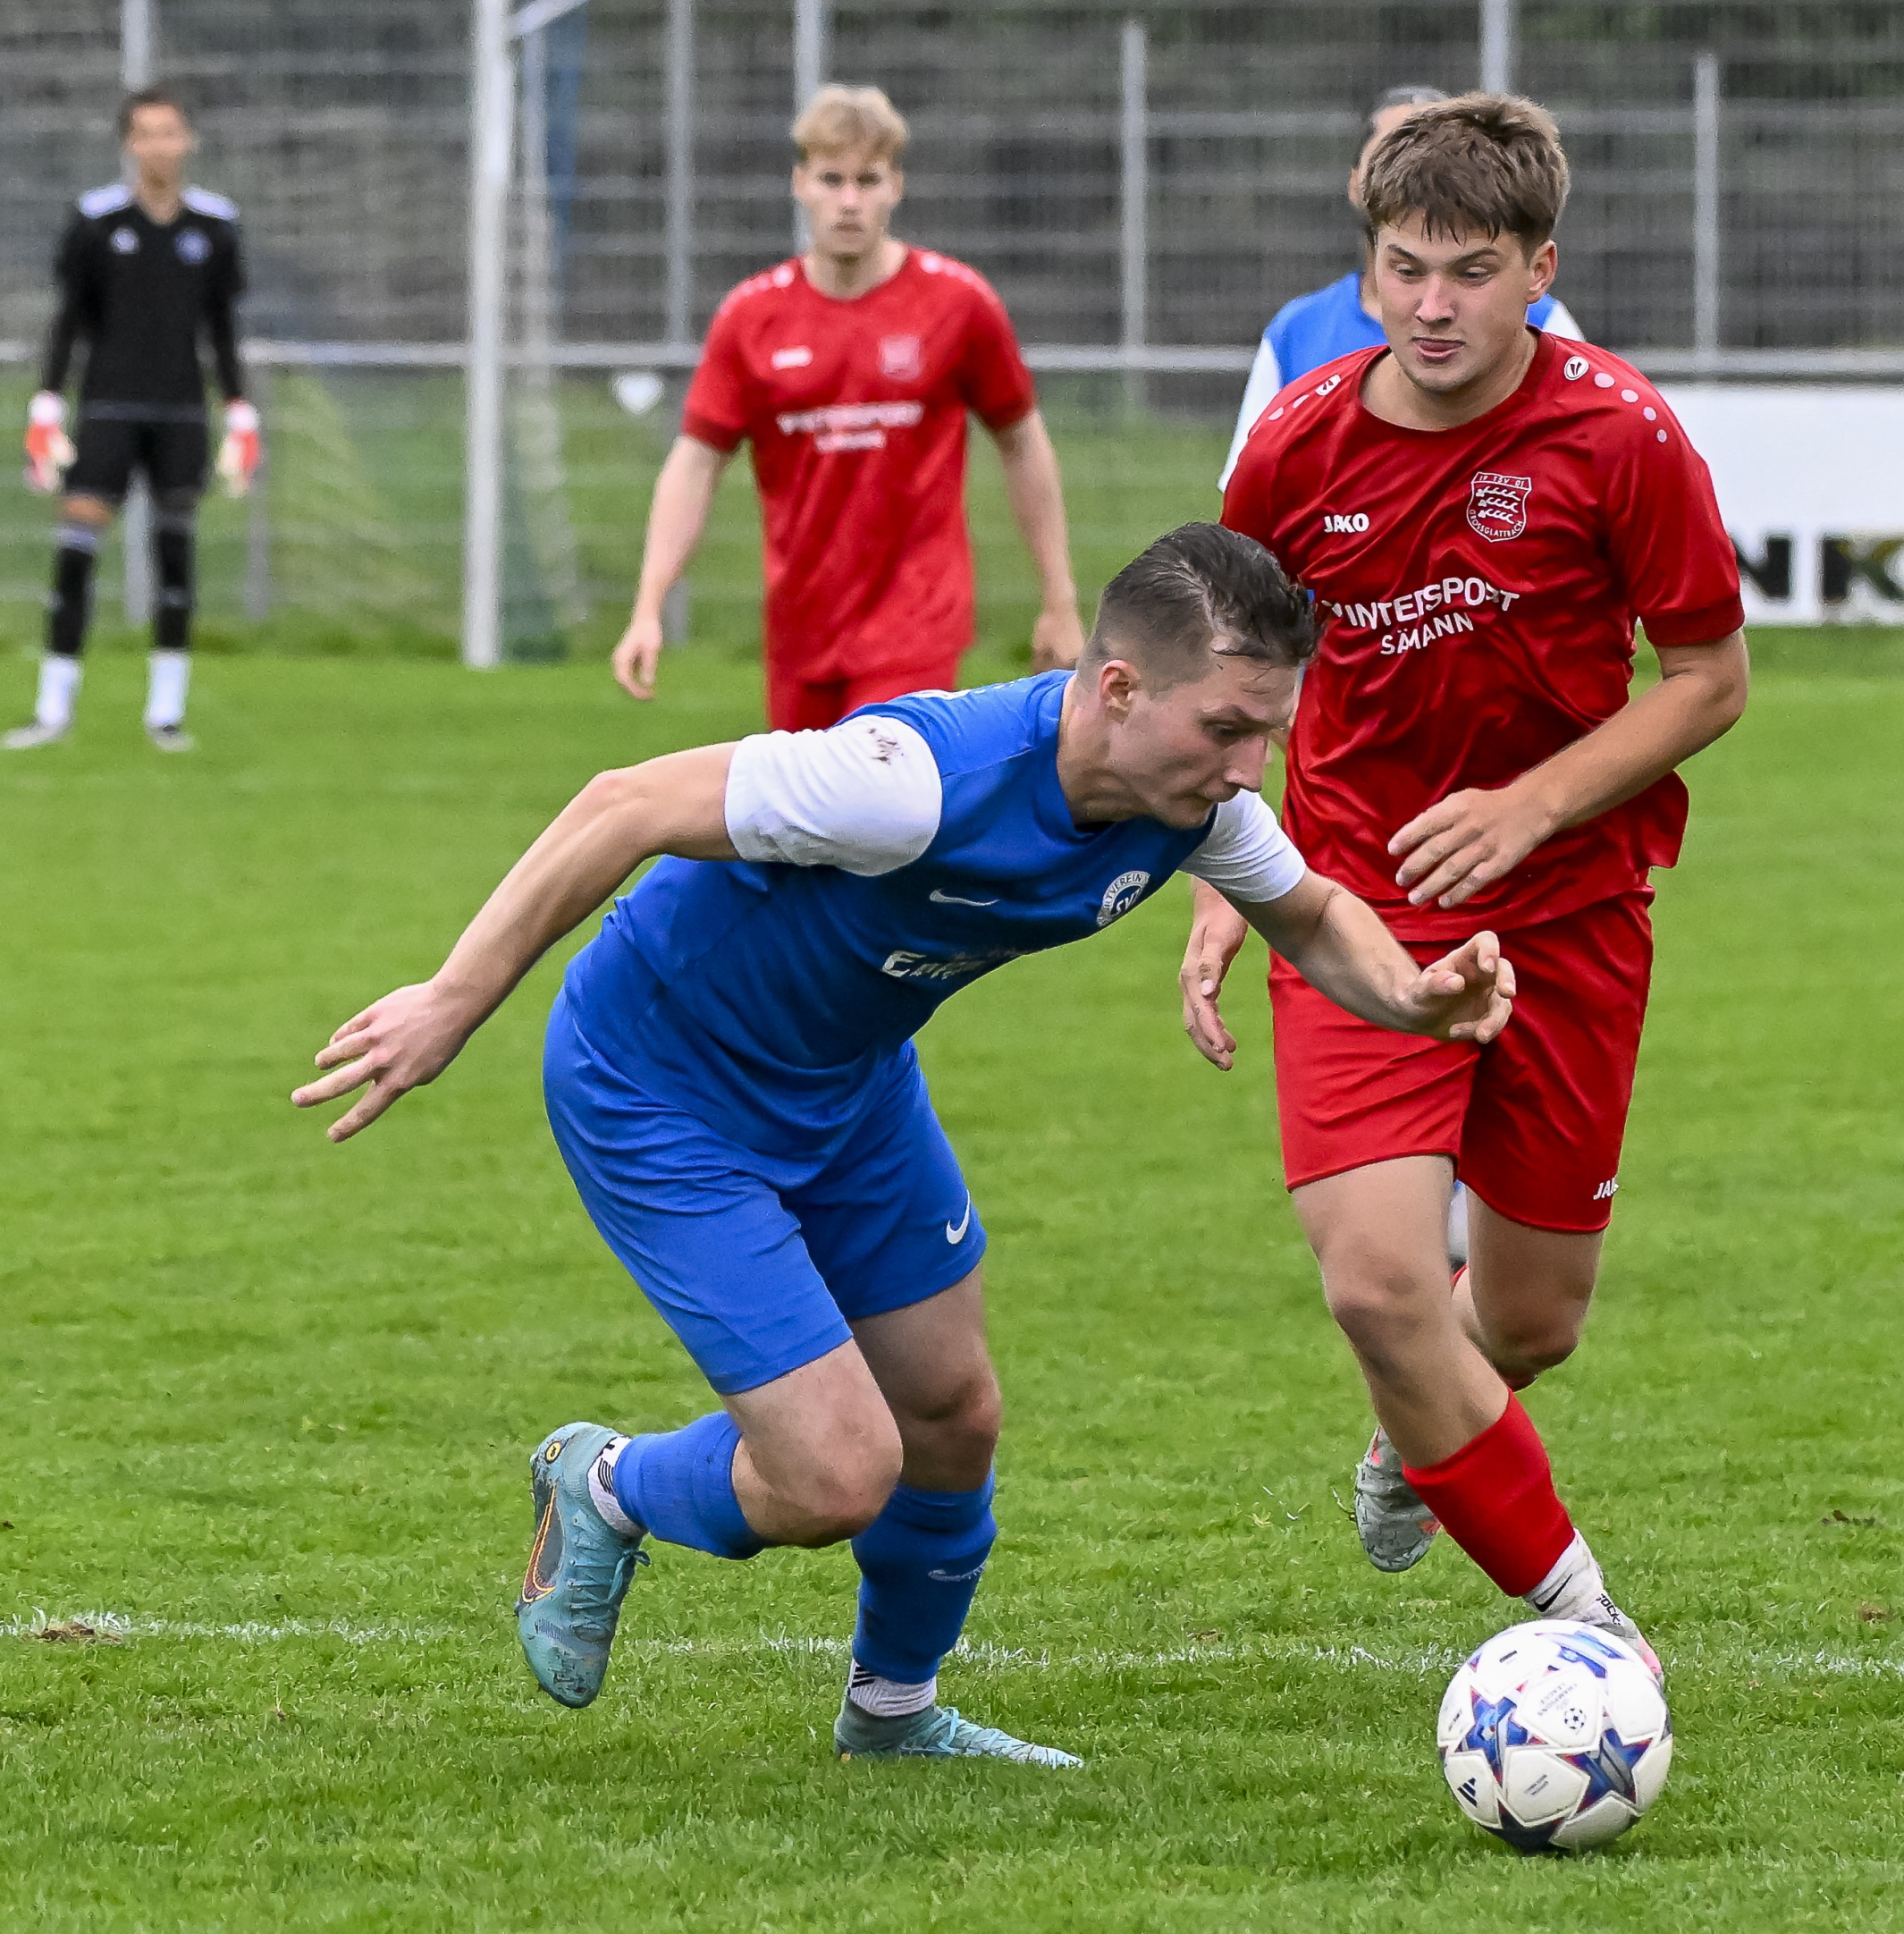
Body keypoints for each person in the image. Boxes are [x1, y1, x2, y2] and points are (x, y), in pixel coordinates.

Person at [295, 523, 1515, 1763]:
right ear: (1117, 688)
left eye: (1268, 733)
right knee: (833, 1474)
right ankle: (605, 1484)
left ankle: (891, 1714)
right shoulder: (907, 782)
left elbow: (1311, 913)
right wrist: (453, 999)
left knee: (950, 1412)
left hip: (850, 1086)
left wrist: (1413, 996)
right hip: (662, 1082)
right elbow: (623, 804)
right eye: (1225, 728)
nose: (1251, 769)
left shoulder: (1191, 807)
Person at [1192, 96, 1748, 1667]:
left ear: (1538, 270)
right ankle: (1585, 1623)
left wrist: (1531, 805)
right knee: (1381, 1286)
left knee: (1527, 1321)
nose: (1432, 305)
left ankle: (1415, 1427)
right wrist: (1229, 875)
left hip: (1570, 910)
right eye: (1404, 267)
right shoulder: (1293, 445)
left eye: (1472, 270)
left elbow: (1709, 675)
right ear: (1367, 265)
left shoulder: (1620, 435)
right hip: (1353, 902)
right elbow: (1231, 684)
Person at [611, 84, 1086, 729]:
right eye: (832, 179)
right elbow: (695, 464)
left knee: (880, 785)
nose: (850, 201)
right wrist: (648, 606)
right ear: (800, 183)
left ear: (896, 187)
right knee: (802, 795)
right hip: (800, 630)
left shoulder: (958, 304)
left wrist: (1059, 599)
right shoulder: (751, 317)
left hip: (915, 625)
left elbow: (1022, 442)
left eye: (868, 180)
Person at [9, 87, 258, 754]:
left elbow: (221, 328)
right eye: (145, 134)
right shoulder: (96, 221)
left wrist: (239, 410)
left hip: (179, 409)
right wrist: (47, 402)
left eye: (169, 132)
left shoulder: (214, 227)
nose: (159, 146)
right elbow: (70, 319)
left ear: (188, 140)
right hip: (107, 406)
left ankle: (165, 715)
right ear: (128, 144)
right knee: (75, 554)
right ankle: (53, 710)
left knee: (175, 558)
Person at [1217, 84, 1582, 491]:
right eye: (1390, 157)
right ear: (1356, 182)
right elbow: (1252, 490)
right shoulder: (1299, 328)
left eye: (1473, 275)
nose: (1418, 177)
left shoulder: (1545, 323)